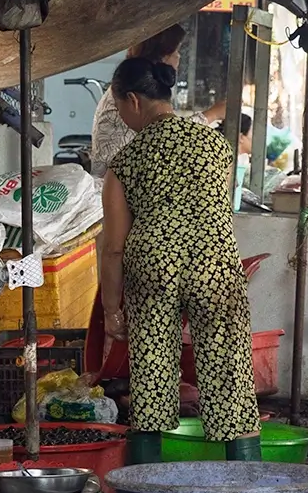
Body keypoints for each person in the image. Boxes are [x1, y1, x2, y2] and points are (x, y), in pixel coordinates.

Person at [99, 57, 262, 461]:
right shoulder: (217, 146)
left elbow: (114, 245)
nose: (122, 116)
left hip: (153, 267)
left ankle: (147, 489)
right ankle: (246, 485)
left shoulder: (126, 162)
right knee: (228, 372)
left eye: (119, 107)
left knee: (152, 375)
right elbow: (215, 207)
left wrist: (110, 309)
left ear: (133, 101)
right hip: (215, 265)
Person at [91, 24, 185, 175]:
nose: (178, 57)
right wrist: (211, 115)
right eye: (175, 52)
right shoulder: (126, 99)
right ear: (133, 102)